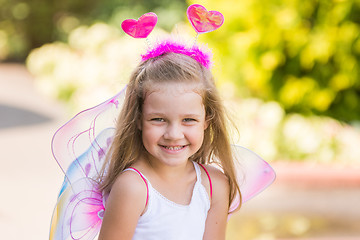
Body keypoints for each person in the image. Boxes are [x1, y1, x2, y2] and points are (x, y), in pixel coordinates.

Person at [97, 40, 241, 240]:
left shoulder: (214, 184)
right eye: (158, 119)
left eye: (188, 120)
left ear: (207, 120)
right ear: (138, 119)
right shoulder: (133, 188)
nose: (173, 134)